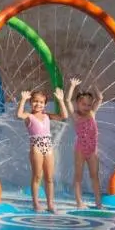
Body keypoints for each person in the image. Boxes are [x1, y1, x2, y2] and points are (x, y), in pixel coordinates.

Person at [17, 87, 69, 213]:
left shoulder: (47, 116)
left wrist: (61, 101)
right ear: (31, 102)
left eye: (41, 102)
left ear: (45, 104)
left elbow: (64, 116)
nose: (38, 104)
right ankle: (36, 203)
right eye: (35, 101)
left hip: (48, 147)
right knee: (37, 176)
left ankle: (50, 204)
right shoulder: (29, 116)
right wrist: (23, 100)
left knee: (49, 178)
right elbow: (19, 115)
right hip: (36, 148)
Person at [67, 77, 103, 209]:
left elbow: (99, 98)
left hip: (92, 149)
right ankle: (79, 203)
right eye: (84, 104)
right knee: (78, 176)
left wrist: (95, 86)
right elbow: (67, 100)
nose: (87, 107)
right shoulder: (75, 116)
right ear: (77, 104)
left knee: (95, 176)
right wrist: (72, 86)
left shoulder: (92, 113)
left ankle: (99, 203)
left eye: (89, 104)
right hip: (80, 149)